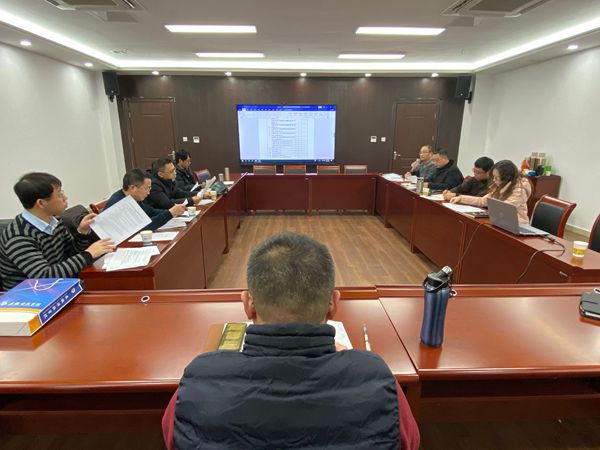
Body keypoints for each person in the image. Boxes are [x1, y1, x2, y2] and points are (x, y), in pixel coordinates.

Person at [162, 233, 420, 450]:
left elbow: (172, 437)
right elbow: (410, 442)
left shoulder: (199, 379)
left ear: (248, 304)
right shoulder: (376, 376)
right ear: (333, 304)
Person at [0, 173, 114, 290]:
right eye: (59, 194)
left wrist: (82, 233)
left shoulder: (54, 220)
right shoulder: (18, 237)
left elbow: (71, 253)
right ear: (41, 203)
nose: (65, 198)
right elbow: (45, 277)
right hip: (29, 294)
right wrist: (88, 254)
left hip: (59, 284)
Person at [103, 169, 187, 231]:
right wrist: (170, 213)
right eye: (147, 188)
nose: (149, 192)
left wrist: (173, 211)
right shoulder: (119, 203)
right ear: (132, 188)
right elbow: (143, 226)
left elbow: (150, 211)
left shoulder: (133, 198)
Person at [450, 160, 532, 223]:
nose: (494, 180)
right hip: (500, 221)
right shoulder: (499, 185)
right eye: (493, 177)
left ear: (506, 178)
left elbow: (505, 208)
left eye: (496, 178)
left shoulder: (520, 189)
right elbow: (482, 201)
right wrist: (461, 198)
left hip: (518, 224)